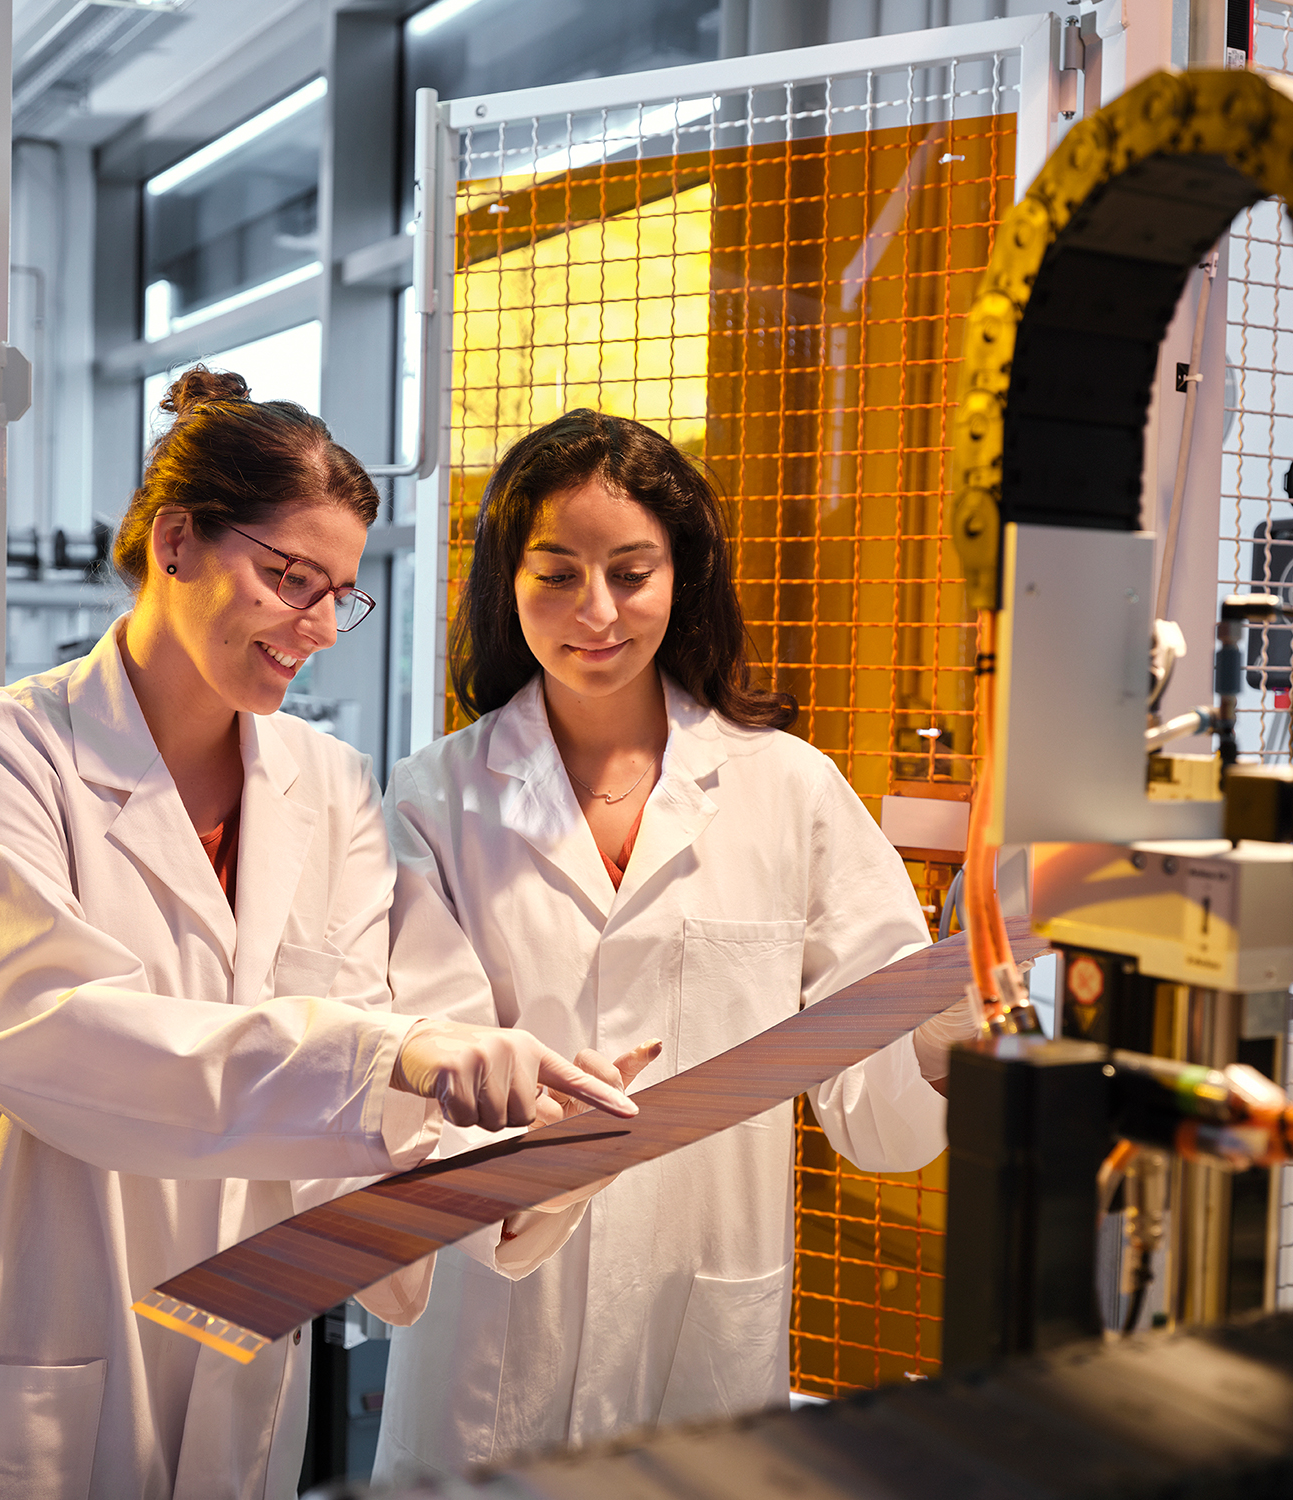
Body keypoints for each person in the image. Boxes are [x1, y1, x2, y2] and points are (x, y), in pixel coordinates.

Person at [0, 370, 633, 1500]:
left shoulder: (332, 788)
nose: (317, 627)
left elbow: (350, 1072)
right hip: (11, 1330)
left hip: (229, 1350)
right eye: (287, 578)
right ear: (175, 542)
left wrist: (514, 1156)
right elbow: (62, 1039)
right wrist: (395, 1056)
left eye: (339, 594)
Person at [374, 409, 975, 1478]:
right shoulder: (435, 802)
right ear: (505, 587)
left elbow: (876, 1105)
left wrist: (951, 1023)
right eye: (555, 573)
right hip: (499, 1313)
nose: (596, 611)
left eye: (631, 571)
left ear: (682, 576)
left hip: (699, 1317)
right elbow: (414, 1072)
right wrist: (530, 1120)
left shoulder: (787, 790)